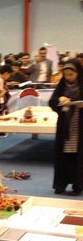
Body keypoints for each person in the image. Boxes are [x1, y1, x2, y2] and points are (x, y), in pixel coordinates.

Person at [48, 60, 83, 195]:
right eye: (66, 75)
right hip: (64, 126)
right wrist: (59, 100)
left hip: (79, 125)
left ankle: (77, 186)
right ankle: (60, 184)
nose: (68, 77)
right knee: (63, 156)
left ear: (78, 73)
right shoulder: (62, 86)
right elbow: (52, 102)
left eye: (71, 74)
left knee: (77, 156)